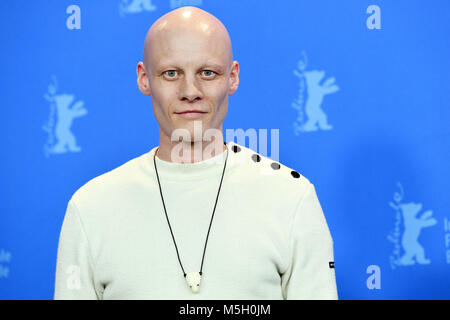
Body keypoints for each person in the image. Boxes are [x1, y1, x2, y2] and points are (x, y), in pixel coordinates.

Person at [54, 6, 338, 300]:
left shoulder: (292, 198)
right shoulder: (91, 207)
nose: (190, 90)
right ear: (144, 79)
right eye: (171, 73)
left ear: (232, 77)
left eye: (207, 72)